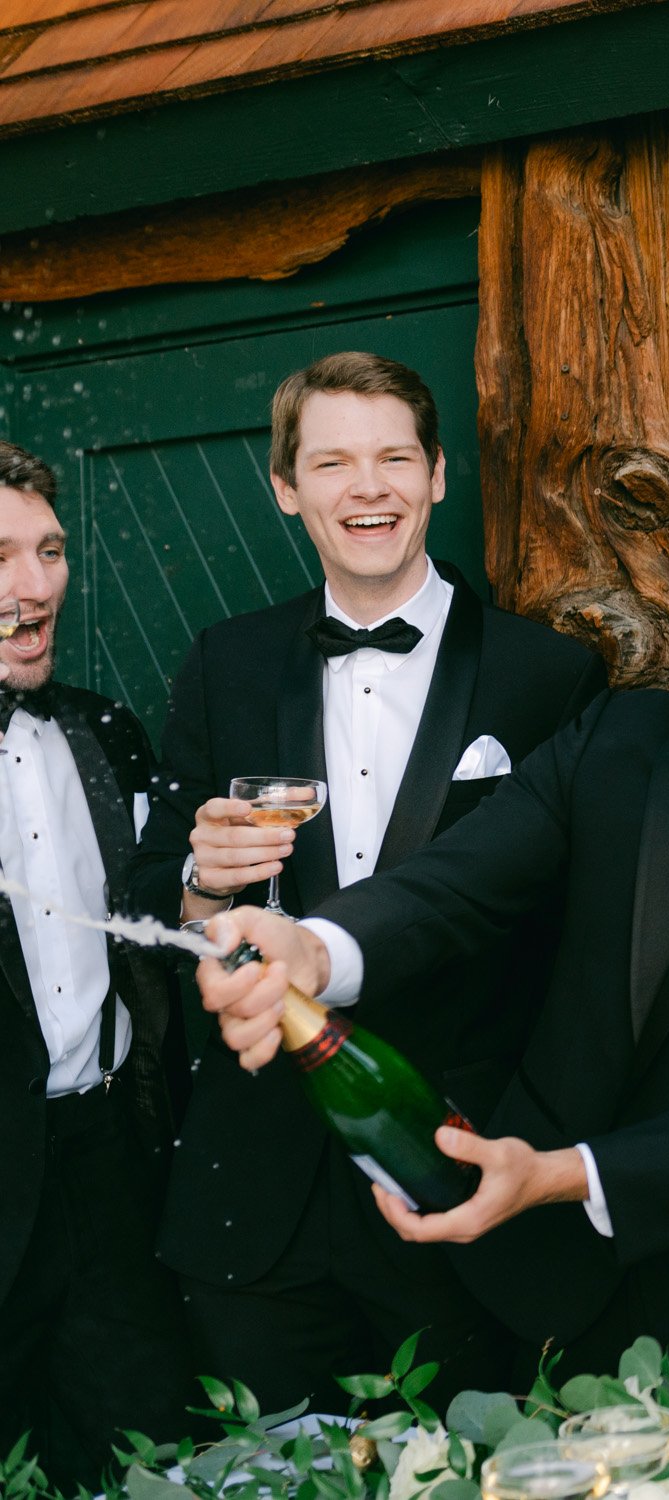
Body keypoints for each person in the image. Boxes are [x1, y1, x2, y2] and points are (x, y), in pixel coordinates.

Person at [193, 463, 669, 1389]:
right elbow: (457, 884)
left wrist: (567, 1173)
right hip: (525, 1300)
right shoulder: (614, 739)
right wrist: (318, 948)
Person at [124, 353, 606, 1410]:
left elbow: (579, 931)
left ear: (438, 475)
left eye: (395, 457)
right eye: (332, 462)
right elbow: (157, 885)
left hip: (458, 1183)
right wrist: (206, 876)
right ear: (288, 489)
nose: (369, 487)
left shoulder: (549, 677)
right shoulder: (226, 662)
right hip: (256, 1197)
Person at [0, 441, 191, 1486]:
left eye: (51, 550)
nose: (34, 588)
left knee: (150, 1445)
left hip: (113, 1155)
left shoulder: (101, 733)